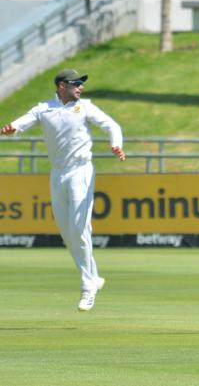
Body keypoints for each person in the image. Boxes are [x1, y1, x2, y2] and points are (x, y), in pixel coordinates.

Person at [0, 69, 125, 311]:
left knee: (79, 227)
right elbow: (21, 122)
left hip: (81, 170)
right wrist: (11, 128)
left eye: (81, 84)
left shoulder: (85, 106)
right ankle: (94, 276)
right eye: (75, 84)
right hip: (58, 173)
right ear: (61, 86)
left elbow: (112, 125)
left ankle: (88, 285)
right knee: (67, 231)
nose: (80, 87)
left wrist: (116, 145)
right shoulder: (44, 108)